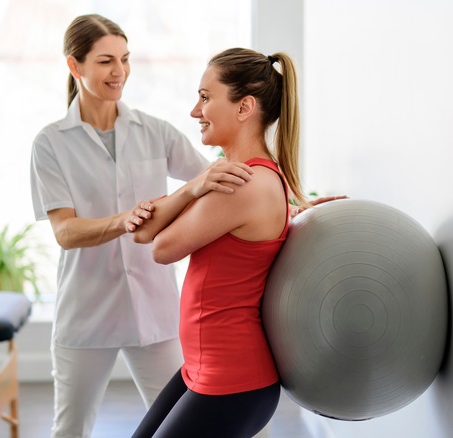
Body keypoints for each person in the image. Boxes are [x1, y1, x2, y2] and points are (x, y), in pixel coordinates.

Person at [29, 15, 253, 438]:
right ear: (75, 67)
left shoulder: (154, 131)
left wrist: (295, 202)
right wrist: (122, 221)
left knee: (176, 424)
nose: (119, 72)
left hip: (153, 310)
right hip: (86, 311)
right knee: (70, 429)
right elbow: (65, 232)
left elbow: (218, 178)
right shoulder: (51, 143)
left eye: (125, 59)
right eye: (106, 61)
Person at [129, 48, 346, 437]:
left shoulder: (240, 185)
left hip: (231, 381)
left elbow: (162, 250)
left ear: (244, 107)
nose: (196, 111)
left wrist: (192, 190)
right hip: (204, 368)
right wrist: (194, 186)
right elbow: (143, 232)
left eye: (206, 97)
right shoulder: (232, 176)